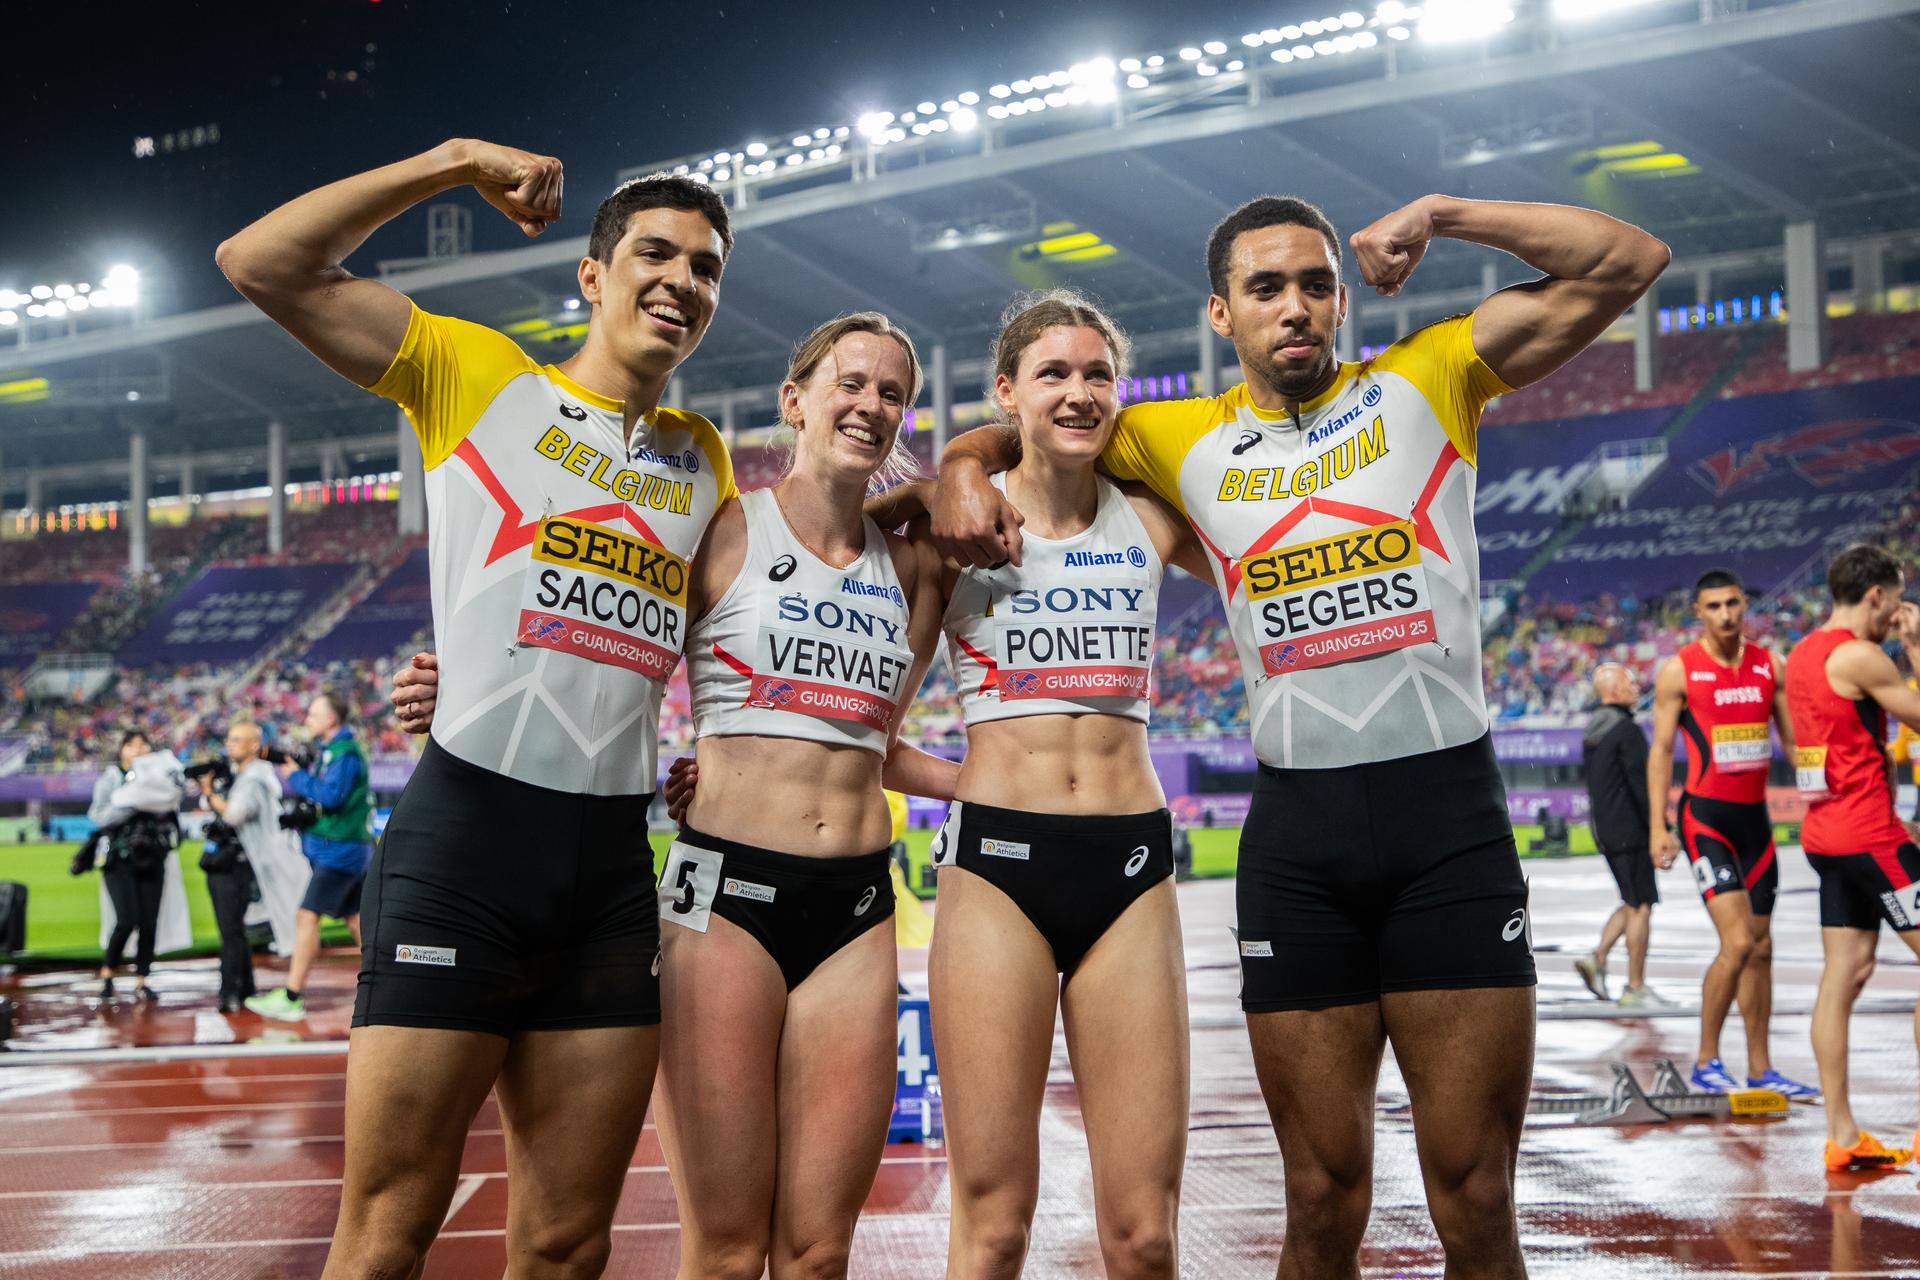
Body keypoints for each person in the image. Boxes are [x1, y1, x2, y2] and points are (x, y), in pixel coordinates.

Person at [932, 193, 1670, 1278]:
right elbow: (1041, 421)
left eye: (1315, 283)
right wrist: (957, 460)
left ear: (1340, 298)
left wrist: (1446, 214)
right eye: (1266, 287)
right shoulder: (1173, 435)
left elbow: (1630, 260)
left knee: (1476, 1191)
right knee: (1320, 1198)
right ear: (1222, 314)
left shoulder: (1430, 377)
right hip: (1302, 843)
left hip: (1447, 827)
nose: (1296, 306)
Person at [218, 139, 737, 1275]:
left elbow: (739, 639)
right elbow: (262, 262)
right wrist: (451, 164)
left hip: (609, 871)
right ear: (591, 276)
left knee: (566, 1242)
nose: (682, 280)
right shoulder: (480, 375)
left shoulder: (704, 460)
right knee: (390, 1225)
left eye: (706, 266)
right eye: (654, 253)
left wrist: (723, 761)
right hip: (466, 845)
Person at [656, 314, 948, 1280]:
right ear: (796, 399)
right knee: (730, 1250)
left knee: (821, 1252)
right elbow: (600, 662)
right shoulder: (721, 530)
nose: (870, 405)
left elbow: (882, 743)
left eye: (892, 393)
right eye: (850, 382)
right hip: (724, 902)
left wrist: (988, 788)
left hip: (858, 910)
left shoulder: (912, 566)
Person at [923, 293, 1203, 1279]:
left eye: (1097, 375)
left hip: (1131, 869)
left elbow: (1279, 561)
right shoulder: (949, 528)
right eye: (1053, 373)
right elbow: (857, 726)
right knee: (995, 1226)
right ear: (1008, 392)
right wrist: (973, 782)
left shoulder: (1158, 520)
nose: (1079, 392)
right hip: (997, 870)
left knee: (1146, 1235)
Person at [1646, 570, 1815, 1097]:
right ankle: (1706, 1059)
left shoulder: (1771, 665)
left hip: (1756, 825)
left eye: (1733, 604)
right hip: (1706, 821)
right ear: (1698, 611)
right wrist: (1658, 825)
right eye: (1714, 606)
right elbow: (1660, 751)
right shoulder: (1680, 671)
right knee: (1738, 941)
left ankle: (1762, 1069)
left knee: (1762, 947)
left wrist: (1821, 799)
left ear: (1746, 605)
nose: (1726, 614)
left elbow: (1794, 743)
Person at [1783, 544, 1920, 1171]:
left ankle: (1841, 1133)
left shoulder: (1802, 654)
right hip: (1871, 834)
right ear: (1875, 596)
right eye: (1897, 597)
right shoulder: (1861, 654)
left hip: (1824, 838)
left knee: (1846, 973)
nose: (1898, 609)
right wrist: (1916, 646)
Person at [248, 692, 372, 1020]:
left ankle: (291, 996)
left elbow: (332, 796)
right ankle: (388, 986)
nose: (308, 721)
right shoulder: (334, 751)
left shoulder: (343, 753)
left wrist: (297, 777)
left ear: (331, 719)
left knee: (307, 916)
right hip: (346, 849)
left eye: (314, 715)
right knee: (357, 920)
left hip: (340, 851)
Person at [1574, 663, 1668, 1007]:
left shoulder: (1594, 729)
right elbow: (1641, 786)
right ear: (1613, 691)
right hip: (1632, 830)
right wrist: (1661, 826)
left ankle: (1596, 958)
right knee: (1641, 905)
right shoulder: (1626, 730)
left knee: (1631, 900)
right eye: (1629, 682)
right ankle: (1635, 987)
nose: (1635, 686)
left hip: (1606, 830)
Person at [83, 730, 188, 1003]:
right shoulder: (112, 778)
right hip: (119, 859)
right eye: (131, 745)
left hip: (153, 855)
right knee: (126, 919)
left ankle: (143, 980)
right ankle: (107, 974)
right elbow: (98, 816)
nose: (138, 750)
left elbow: (172, 810)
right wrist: (134, 802)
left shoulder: (162, 777)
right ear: (121, 750)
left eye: (144, 745)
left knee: (149, 922)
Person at [194, 720, 282, 1013]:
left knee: (230, 930)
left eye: (236, 739)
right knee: (235, 929)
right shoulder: (241, 775)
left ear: (254, 745)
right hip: (234, 861)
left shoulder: (253, 778)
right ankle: (245, 987)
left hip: (233, 863)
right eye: (228, 738)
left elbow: (234, 815)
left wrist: (209, 793)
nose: (229, 744)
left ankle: (229, 993)